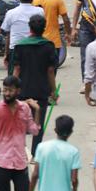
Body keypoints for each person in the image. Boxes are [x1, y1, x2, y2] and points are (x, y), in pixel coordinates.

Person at [13, 14, 58, 153]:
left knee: (20, 122)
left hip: (22, 90)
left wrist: (12, 88)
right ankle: (35, 153)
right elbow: (50, 71)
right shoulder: (48, 46)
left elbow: (17, 69)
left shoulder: (20, 45)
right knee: (39, 123)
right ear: (44, 28)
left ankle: (20, 151)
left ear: (30, 27)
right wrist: (54, 90)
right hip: (41, 90)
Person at [0, 0, 43, 73]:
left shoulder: (11, 13)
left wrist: (6, 54)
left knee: (14, 77)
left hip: (16, 49)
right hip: (35, 48)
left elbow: (8, 34)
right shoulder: (40, 11)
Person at [32, 0, 71, 67]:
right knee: (52, 69)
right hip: (53, 41)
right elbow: (65, 19)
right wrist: (68, 33)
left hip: (36, 41)